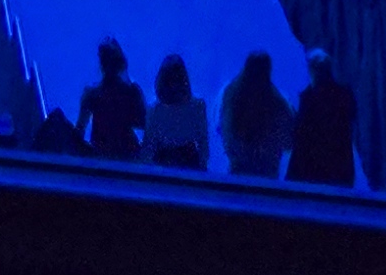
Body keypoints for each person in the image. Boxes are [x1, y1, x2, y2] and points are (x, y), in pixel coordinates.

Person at [287, 47, 359, 184]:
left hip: (310, 166)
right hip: (339, 165)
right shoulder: (344, 95)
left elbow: (300, 133)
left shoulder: (308, 98)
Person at [216, 49, 290, 177]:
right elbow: (288, 141)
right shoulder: (279, 102)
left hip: (238, 170)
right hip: (267, 173)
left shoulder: (230, 95)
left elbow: (222, 129)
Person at [80, 38, 147, 160]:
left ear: (101, 65)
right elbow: (143, 124)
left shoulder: (91, 93)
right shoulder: (132, 91)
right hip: (128, 155)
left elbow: (80, 130)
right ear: (121, 63)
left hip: (101, 155)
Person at [143, 53, 210, 168]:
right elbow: (203, 143)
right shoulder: (198, 105)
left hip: (162, 165)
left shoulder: (154, 109)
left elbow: (148, 146)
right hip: (190, 164)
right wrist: (203, 167)